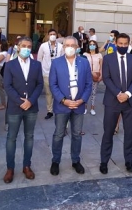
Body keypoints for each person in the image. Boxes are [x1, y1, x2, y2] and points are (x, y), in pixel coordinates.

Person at [49, 36, 92, 176]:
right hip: (62, 106)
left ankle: (75, 160)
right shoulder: (56, 63)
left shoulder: (84, 63)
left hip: (79, 106)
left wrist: (82, 100)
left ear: (77, 46)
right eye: (67, 45)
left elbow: (88, 84)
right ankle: (55, 161)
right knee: (58, 134)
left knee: (77, 135)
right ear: (63, 47)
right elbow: (53, 84)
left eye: (72, 45)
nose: (69, 47)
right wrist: (63, 100)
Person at [2, 37, 44, 183]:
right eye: (24, 46)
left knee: (29, 137)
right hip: (15, 107)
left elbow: (40, 85)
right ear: (18, 47)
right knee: (11, 138)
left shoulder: (36, 65)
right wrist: (20, 101)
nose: (26, 48)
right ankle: (10, 168)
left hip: (31, 108)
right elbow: (7, 86)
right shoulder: (10, 65)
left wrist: (30, 101)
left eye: (29, 46)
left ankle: (27, 166)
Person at [100, 33, 132, 174]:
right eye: (120, 43)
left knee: (129, 133)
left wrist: (127, 94)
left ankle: (129, 161)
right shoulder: (108, 58)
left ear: (128, 44)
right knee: (108, 132)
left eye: (125, 44)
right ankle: (104, 161)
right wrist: (118, 93)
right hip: (112, 100)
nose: (123, 46)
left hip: (129, 102)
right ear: (116, 43)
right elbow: (106, 78)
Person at [37, 29, 64, 120]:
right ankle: (50, 110)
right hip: (46, 72)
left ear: (56, 35)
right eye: (51, 34)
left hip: (58, 73)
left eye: (54, 34)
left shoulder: (61, 46)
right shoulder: (43, 46)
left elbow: (63, 59)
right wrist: (40, 71)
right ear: (48, 35)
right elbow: (39, 59)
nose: (52, 35)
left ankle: (58, 108)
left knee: (58, 92)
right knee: (48, 93)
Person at [83, 40, 103, 115]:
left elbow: (101, 66)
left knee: (93, 93)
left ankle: (92, 108)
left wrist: (101, 74)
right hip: (87, 75)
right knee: (86, 92)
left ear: (96, 46)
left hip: (96, 75)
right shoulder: (85, 54)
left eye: (93, 44)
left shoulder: (99, 55)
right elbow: (84, 65)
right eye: (90, 44)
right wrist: (91, 72)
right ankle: (85, 107)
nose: (92, 46)